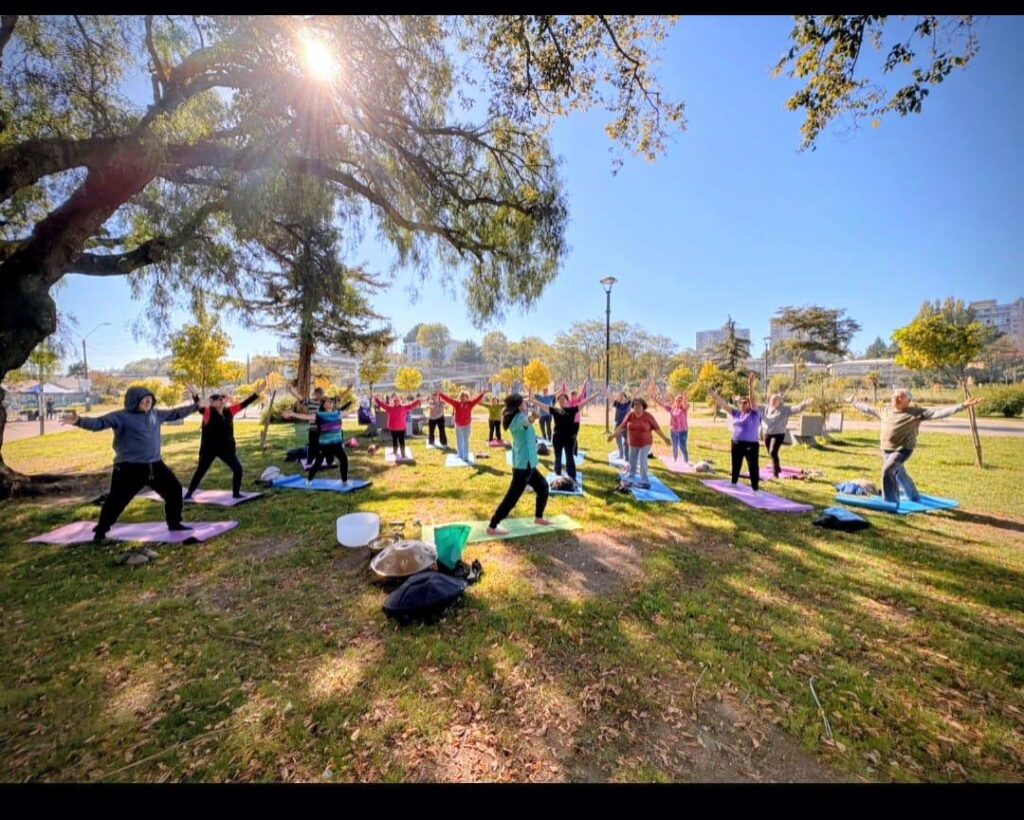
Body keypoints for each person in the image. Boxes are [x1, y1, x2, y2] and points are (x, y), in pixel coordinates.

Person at [60, 385, 202, 543]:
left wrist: (197, 406)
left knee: (174, 490)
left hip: (155, 465)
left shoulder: (156, 414)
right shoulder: (121, 416)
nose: (148, 402)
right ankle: (101, 531)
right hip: (129, 468)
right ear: (133, 401)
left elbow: (177, 413)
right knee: (116, 501)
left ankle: (174, 523)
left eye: (150, 399)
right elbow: (99, 423)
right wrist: (79, 421)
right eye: (143, 400)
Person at [847, 388, 982, 506]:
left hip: (903, 449)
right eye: (894, 396)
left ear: (908, 401)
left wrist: (962, 406)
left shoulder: (915, 413)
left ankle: (890, 502)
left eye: (900, 397)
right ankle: (914, 496)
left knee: (887, 470)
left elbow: (939, 413)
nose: (896, 399)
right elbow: (868, 409)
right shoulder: (885, 411)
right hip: (886, 449)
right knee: (900, 475)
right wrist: (853, 402)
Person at [487, 394, 552, 535]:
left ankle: (539, 517)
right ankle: (492, 526)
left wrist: (532, 416)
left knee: (543, 487)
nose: (525, 404)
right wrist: (533, 417)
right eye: (523, 402)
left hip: (530, 464)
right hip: (522, 467)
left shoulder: (520, 416)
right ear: (518, 406)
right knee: (511, 499)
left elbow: (527, 425)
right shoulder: (517, 420)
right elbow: (526, 423)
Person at [185, 390, 261, 499]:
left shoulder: (229, 411)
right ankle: (189, 493)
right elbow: (200, 405)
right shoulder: (208, 412)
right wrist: (194, 394)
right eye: (218, 399)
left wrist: (257, 394)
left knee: (238, 469)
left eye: (221, 399)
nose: (221, 401)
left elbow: (245, 403)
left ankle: (236, 493)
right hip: (209, 449)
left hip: (226, 449)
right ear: (212, 403)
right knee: (201, 470)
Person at [282, 393, 354, 484]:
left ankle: (344, 481)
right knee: (318, 462)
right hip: (325, 445)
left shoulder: (337, 413)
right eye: (328, 402)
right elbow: (305, 417)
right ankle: (309, 480)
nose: (330, 403)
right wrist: (292, 414)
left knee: (344, 460)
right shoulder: (319, 415)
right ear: (323, 405)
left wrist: (350, 410)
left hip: (337, 444)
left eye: (331, 402)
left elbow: (347, 412)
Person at [709, 372, 761, 492]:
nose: (743, 404)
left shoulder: (754, 413)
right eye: (741, 403)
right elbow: (724, 406)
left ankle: (755, 489)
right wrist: (715, 397)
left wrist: (750, 385)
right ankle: (734, 482)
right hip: (736, 443)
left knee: (753, 466)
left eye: (745, 402)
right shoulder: (737, 413)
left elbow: (752, 398)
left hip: (751, 444)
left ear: (749, 404)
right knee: (736, 464)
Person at [608, 397, 670, 489]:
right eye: (635, 405)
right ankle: (631, 476)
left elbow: (657, 428)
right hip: (633, 443)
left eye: (639, 405)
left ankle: (645, 482)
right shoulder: (630, 415)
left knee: (642, 460)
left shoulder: (648, 416)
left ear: (643, 406)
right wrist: (613, 435)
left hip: (645, 443)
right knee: (632, 462)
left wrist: (665, 438)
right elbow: (622, 427)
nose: (636, 407)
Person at [550, 390, 598, 483]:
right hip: (557, 439)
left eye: (563, 399)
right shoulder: (555, 410)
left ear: (567, 400)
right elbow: (542, 405)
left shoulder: (572, 410)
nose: (561, 401)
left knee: (570, 457)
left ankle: (572, 477)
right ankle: (557, 475)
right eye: (559, 400)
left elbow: (585, 402)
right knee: (558, 457)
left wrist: (595, 395)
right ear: (558, 402)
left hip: (569, 439)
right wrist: (533, 401)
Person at [761, 393, 813, 479]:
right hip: (766, 434)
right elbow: (753, 405)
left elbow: (796, 409)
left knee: (773, 452)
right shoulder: (765, 408)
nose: (773, 401)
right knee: (771, 453)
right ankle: (778, 468)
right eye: (772, 399)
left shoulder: (785, 409)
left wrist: (805, 404)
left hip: (778, 434)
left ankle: (775, 474)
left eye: (775, 399)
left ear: (779, 401)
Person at [287, 384, 333, 468]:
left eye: (321, 394)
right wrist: (292, 390)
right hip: (313, 429)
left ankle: (324, 459)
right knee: (312, 445)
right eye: (317, 394)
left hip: (323, 430)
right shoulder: (311, 402)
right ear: (316, 394)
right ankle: (310, 460)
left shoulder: (326, 403)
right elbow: (300, 398)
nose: (319, 396)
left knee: (323, 445)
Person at [439, 389, 486, 462]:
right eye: (461, 397)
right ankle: (460, 454)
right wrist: (441, 394)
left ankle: (465, 456)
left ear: (467, 397)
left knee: (465, 440)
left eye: (464, 397)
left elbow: (477, 400)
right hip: (458, 425)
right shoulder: (456, 404)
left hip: (466, 425)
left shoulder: (470, 404)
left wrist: (482, 394)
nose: (463, 398)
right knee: (459, 440)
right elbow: (448, 400)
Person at [374, 393, 421, 459]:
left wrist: (418, 401)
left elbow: (412, 405)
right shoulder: (393, 408)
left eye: (397, 401)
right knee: (397, 440)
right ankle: (398, 452)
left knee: (399, 440)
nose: (396, 402)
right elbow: (383, 405)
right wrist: (376, 400)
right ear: (394, 402)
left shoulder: (400, 408)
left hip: (398, 428)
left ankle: (401, 453)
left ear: (400, 401)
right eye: (395, 401)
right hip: (395, 428)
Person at [653, 388, 690, 464]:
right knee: (674, 446)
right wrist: (654, 399)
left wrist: (685, 398)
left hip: (682, 431)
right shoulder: (672, 408)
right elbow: (662, 405)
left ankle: (686, 461)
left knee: (682, 446)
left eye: (680, 401)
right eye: (677, 400)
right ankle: (675, 458)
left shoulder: (684, 409)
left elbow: (685, 404)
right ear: (675, 401)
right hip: (673, 430)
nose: (679, 402)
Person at [611, 389, 632, 460]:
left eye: (622, 396)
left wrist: (642, 386)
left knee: (626, 441)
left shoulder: (628, 404)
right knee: (618, 439)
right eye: (620, 396)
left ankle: (627, 456)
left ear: (625, 398)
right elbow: (610, 397)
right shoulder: (617, 404)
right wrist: (604, 390)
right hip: (618, 424)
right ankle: (621, 453)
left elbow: (636, 394)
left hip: (626, 425)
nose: (621, 397)